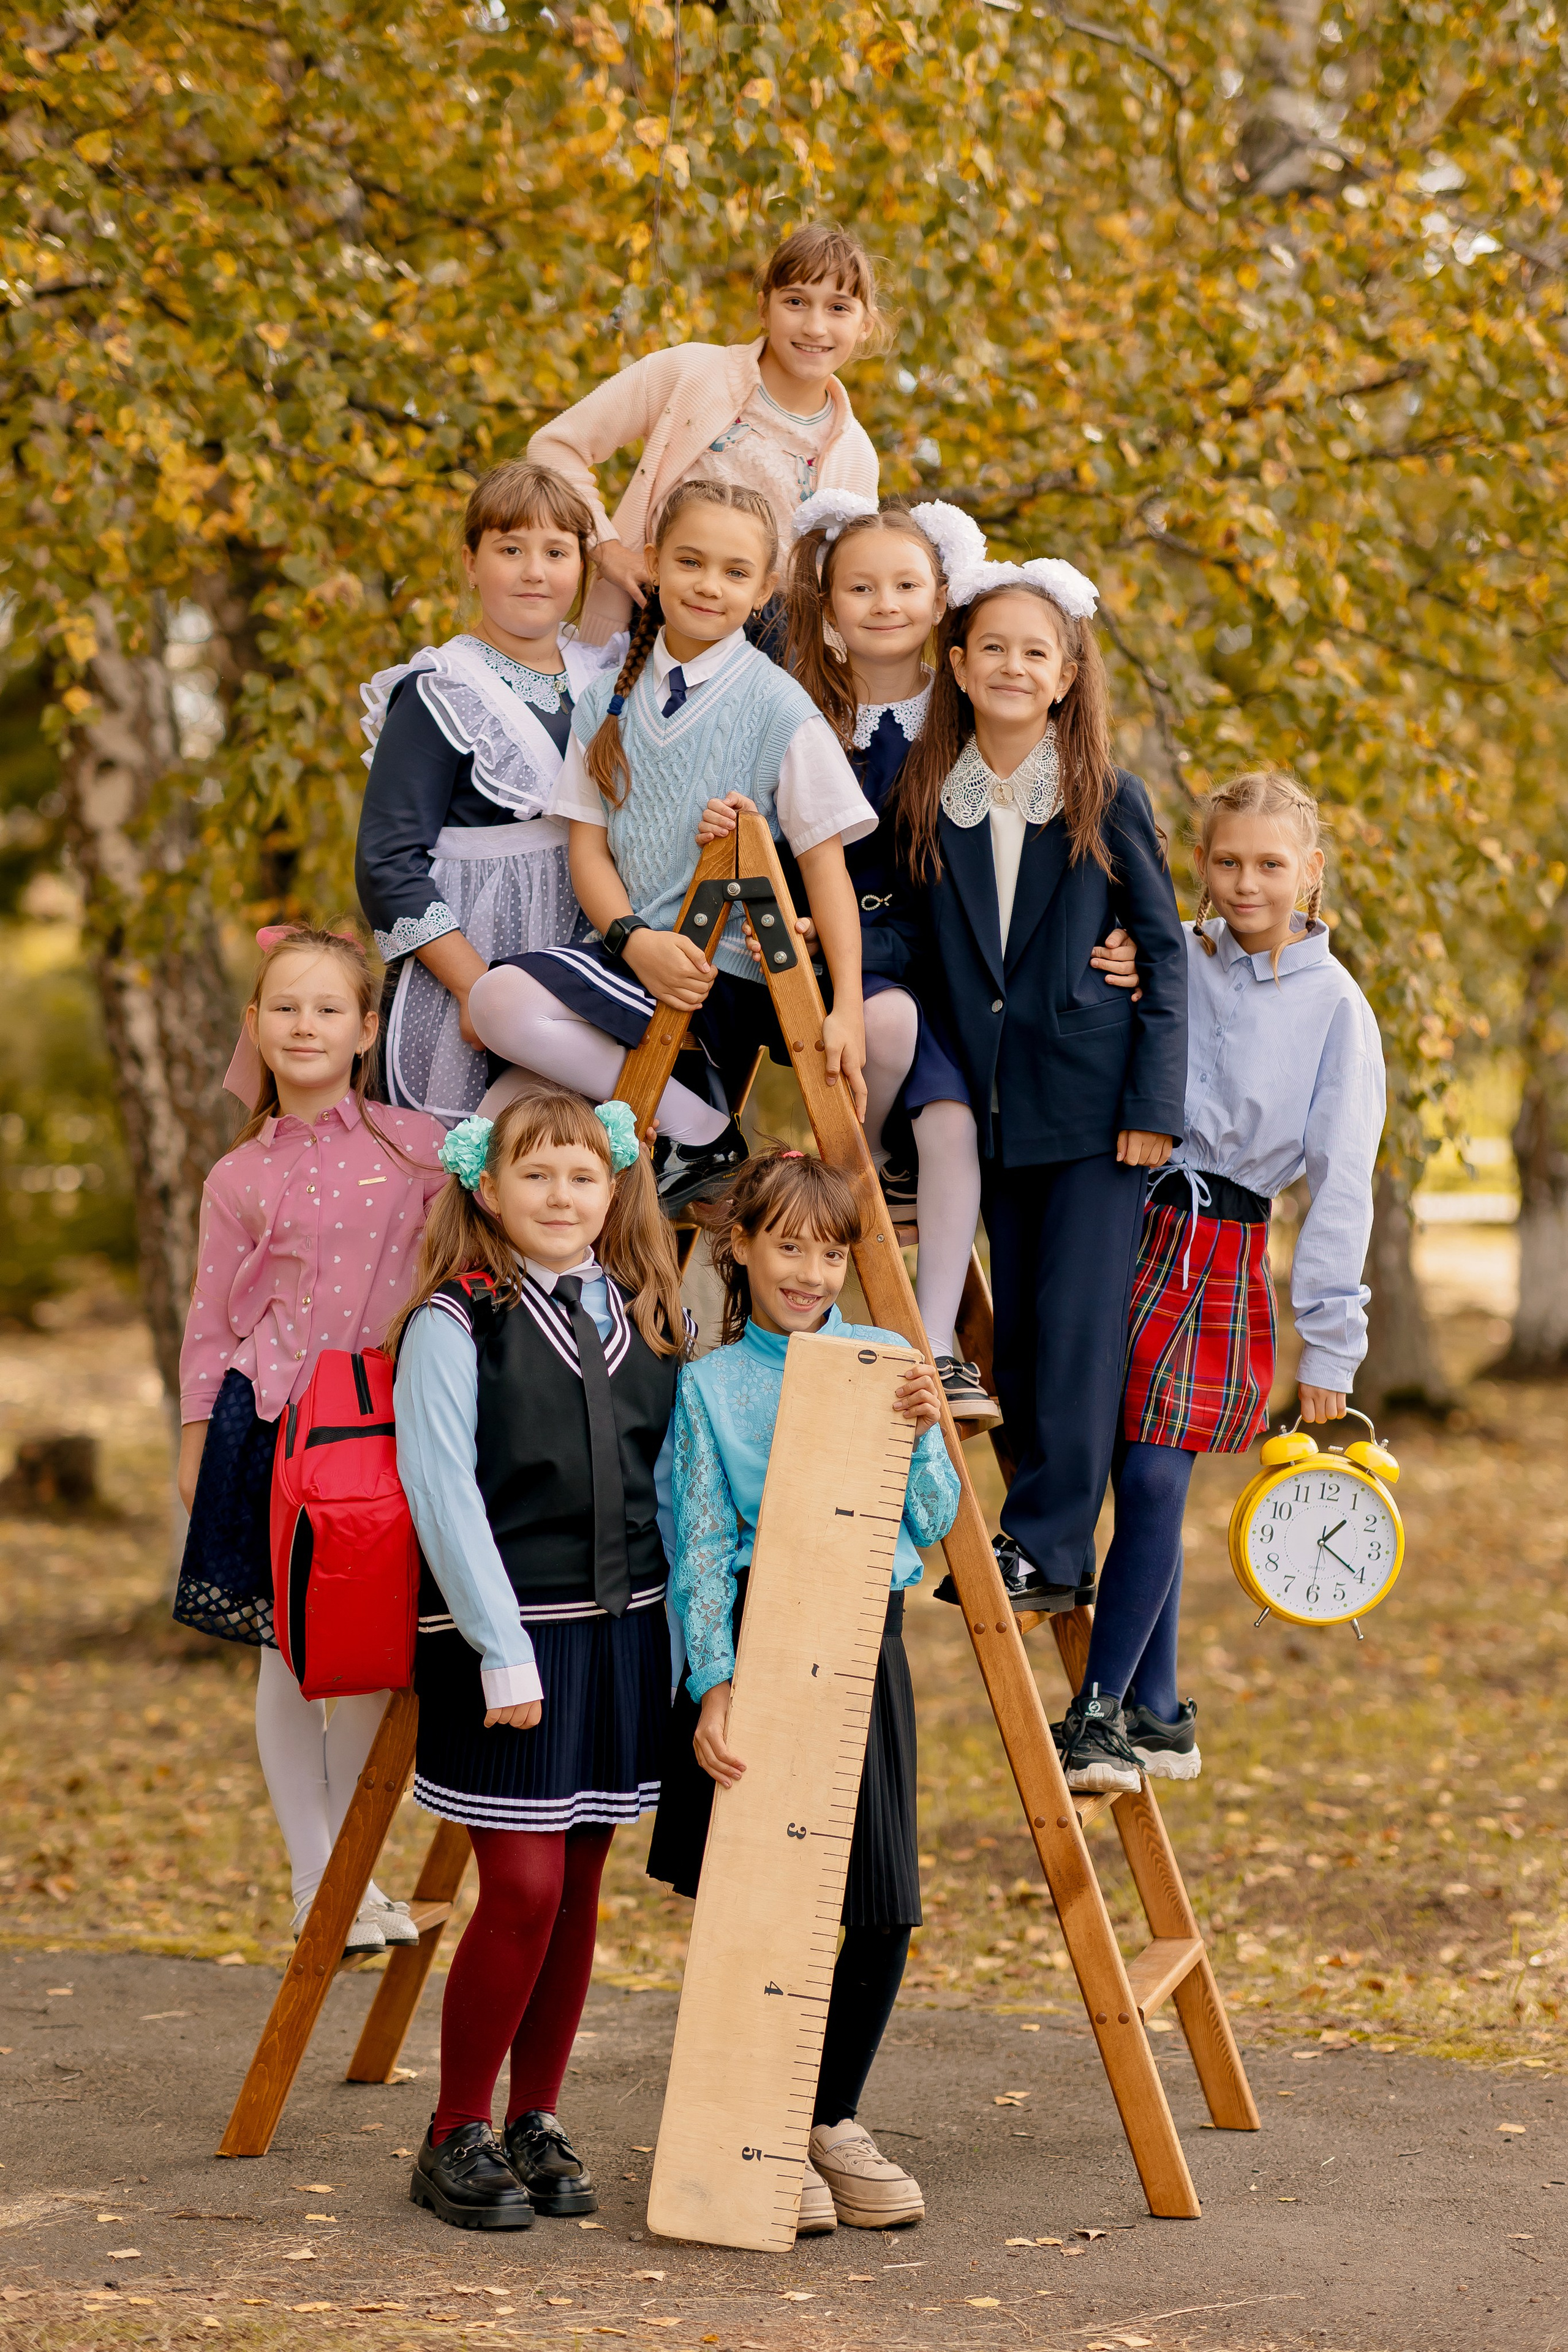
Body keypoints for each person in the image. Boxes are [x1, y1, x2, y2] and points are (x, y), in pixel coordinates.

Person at [704, 490, 1140, 1417]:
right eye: (859, 587)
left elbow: (1021, 849)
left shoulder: (961, 714)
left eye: (907, 584)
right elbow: (767, 820)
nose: (885, 603)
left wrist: (1134, 939)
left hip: (931, 962)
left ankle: (934, 1346)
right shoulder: (797, 705)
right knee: (882, 1021)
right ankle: (858, 1163)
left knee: (949, 1123)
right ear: (827, 601)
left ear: (943, 601)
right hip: (822, 964)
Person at [646, 1150, 959, 2235]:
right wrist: (714, 1685)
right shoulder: (712, 1384)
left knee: (881, 1906)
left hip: (864, 1644)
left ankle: (829, 2119)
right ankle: (757, 2135)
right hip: (757, 1643)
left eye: (832, 1252)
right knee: (758, 1904)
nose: (811, 1272)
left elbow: (930, 1520)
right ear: (740, 1247)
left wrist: (924, 1433)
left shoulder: (884, 1360)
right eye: (788, 1245)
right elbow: (698, 1543)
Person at [391, 1088, 688, 2230]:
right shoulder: (457, 1318)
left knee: (578, 1890)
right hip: (508, 1646)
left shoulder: (650, 1310)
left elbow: (680, 1480)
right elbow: (441, 1491)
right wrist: (498, 1646)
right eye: (534, 1175)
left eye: (580, 1176)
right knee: (519, 1885)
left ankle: (536, 2115)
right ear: (487, 1187)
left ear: (611, 1189)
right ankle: (454, 2126)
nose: (559, 1196)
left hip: (626, 1639)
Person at [1065, 770, 1386, 1792]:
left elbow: (1342, 1186)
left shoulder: (1339, 1009)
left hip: (1224, 1250)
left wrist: (1332, 1345)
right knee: (1121, 1473)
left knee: (1159, 1477)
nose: (1248, 883)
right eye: (1229, 861)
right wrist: (1124, 960)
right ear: (1201, 868)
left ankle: (1100, 1711)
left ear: (1312, 873)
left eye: (1271, 864)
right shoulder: (1178, 960)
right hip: (1126, 1219)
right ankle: (1161, 1715)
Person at [905, 557, 1189, 1683]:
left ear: (1068, 675)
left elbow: (1161, 954)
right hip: (989, 1112)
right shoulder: (932, 798)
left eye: (1038, 651)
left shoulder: (1107, 794)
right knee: (1014, 1331)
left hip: (1097, 1112)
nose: (1015, 666)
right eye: (995, 649)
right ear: (960, 666)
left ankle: (1051, 1544)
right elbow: (921, 946)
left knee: (1076, 1331)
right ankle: (1047, 1532)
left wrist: (1155, 1107)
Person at [464, 478, 878, 1212]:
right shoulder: (607, 702)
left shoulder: (778, 706)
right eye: (689, 562)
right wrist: (631, 940)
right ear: (653, 562)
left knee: (496, 999)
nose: (709, 586)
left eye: (735, 572)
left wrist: (845, 1005)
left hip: (723, 981)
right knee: (495, 1131)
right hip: (635, 966)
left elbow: (826, 868)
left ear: (766, 590)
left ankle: (707, 1133)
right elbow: (587, 853)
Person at [173, 924, 447, 1953]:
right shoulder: (237, 1176)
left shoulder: (421, 1147)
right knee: (287, 1662)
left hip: (378, 1435)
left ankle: (355, 1873)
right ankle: (312, 1878)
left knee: (374, 1660)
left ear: (367, 1028)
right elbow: (210, 1324)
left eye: (328, 1008)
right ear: (255, 1024)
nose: (305, 1025)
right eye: (284, 1007)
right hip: (274, 1428)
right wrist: (198, 1443)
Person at [355, 461, 626, 1123]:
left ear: (581, 569)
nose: (535, 571)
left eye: (557, 552)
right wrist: (476, 993)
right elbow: (388, 866)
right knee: (466, 1181)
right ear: (471, 562)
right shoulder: (440, 688)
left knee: (579, 1173)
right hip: (473, 971)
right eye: (511, 550)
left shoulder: (608, 676)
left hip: (588, 966)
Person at [527, 223, 882, 647]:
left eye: (839, 308)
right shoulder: (691, 373)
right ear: (764, 308)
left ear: (865, 325)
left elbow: (843, 592)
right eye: (795, 301)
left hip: (777, 656)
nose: (815, 326)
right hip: (652, 627)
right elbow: (554, 447)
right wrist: (606, 548)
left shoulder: (856, 456)